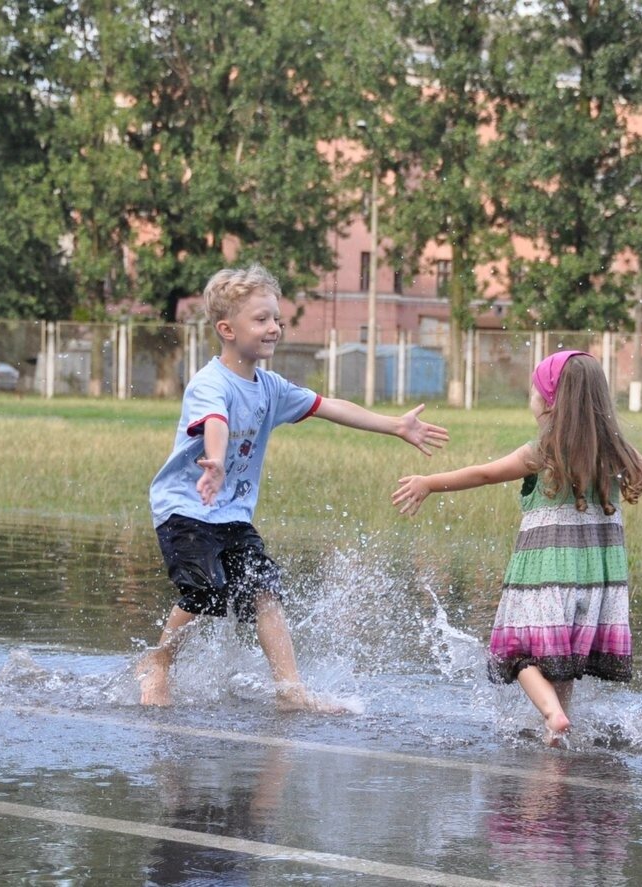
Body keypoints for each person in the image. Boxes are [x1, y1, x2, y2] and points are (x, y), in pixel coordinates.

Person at [138, 263, 449, 710]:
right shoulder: (210, 383)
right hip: (186, 508)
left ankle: (290, 691)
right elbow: (217, 423)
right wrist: (217, 462)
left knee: (265, 590)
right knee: (204, 592)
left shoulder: (271, 387)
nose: (274, 328)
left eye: (276, 319)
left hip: (232, 515)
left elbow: (330, 406)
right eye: (261, 319)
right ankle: (159, 664)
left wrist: (395, 425)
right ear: (227, 329)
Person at [392, 350, 642, 742]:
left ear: (549, 402)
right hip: (594, 581)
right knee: (561, 659)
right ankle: (558, 729)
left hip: (545, 576)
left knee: (516, 652)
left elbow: (484, 474)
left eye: (534, 392)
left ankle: (553, 715)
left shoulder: (545, 450)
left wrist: (429, 483)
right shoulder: (616, 451)